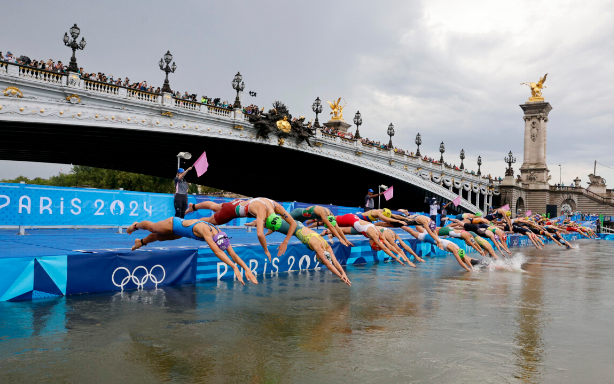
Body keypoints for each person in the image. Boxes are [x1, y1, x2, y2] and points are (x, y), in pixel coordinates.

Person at [126, 218, 257, 285]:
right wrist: (234, 267)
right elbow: (217, 252)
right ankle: (135, 225)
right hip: (173, 223)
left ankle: (141, 242)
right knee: (153, 228)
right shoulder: (206, 231)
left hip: (180, 233)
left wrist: (246, 268)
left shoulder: (221, 234)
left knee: (159, 237)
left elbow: (232, 254)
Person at [185, 197, 297, 261]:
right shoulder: (262, 212)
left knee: (215, 206)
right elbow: (259, 234)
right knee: (209, 221)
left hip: (237, 202)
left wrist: (285, 242)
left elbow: (293, 224)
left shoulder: (276, 206)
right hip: (230, 212)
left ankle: (193, 207)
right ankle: (187, 224)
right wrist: (266, 250)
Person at [260, 215, 351, 286]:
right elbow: (328, 264)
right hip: (293, 227)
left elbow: (334, 261)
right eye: (318, 259)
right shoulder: (318, 247)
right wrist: (340, 276)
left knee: (271, 224)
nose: (316, 257)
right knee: (265, 223)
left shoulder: (327, 247)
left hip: (298, 225)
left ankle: (265, 226)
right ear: (321, 256)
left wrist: (343, 273)